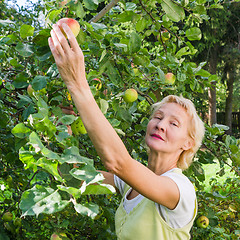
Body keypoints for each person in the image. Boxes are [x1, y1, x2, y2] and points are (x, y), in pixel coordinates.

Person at [48, 23, 205, 240]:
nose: (160, 125)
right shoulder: (128, 183)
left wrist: (77, 83)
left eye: (174, 123)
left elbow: (118, 163)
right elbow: (74, 178)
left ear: (188, 143)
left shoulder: (181, 191)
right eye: (158, 117)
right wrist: (64, 130)